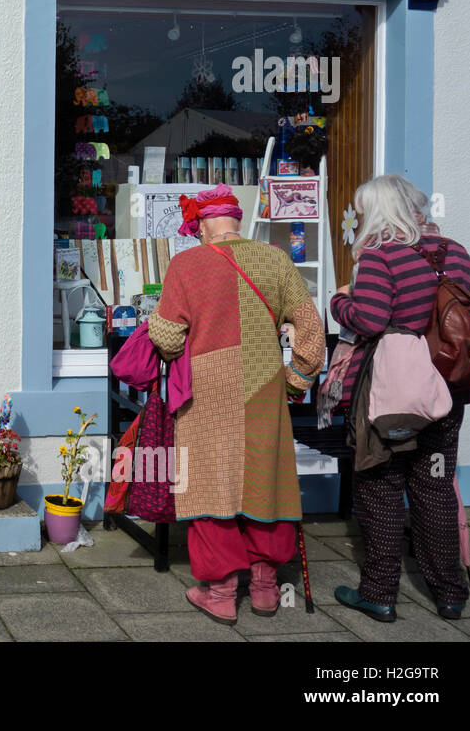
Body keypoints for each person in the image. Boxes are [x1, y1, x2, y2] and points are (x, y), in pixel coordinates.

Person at [148, 184, 326, 624]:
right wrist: (295, 381)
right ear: (236, 220)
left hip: (209, 392)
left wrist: (162, 331)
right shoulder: (276, 260)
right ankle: (265, 588)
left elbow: (168, 337)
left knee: (212, 483)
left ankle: (222, 591)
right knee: (266, 481)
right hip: (266, 386)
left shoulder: (186, 264)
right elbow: (310, 330)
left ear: (204, 224)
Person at [330, 174, 470, 622]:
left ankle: (379, 593)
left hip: (392, 396)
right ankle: (450, 593)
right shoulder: (454, 251)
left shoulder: (382, 257)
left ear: (378, 212)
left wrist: (338, 302)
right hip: (447, 390)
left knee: (380, 487)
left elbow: (371, 319)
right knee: (435, 487)